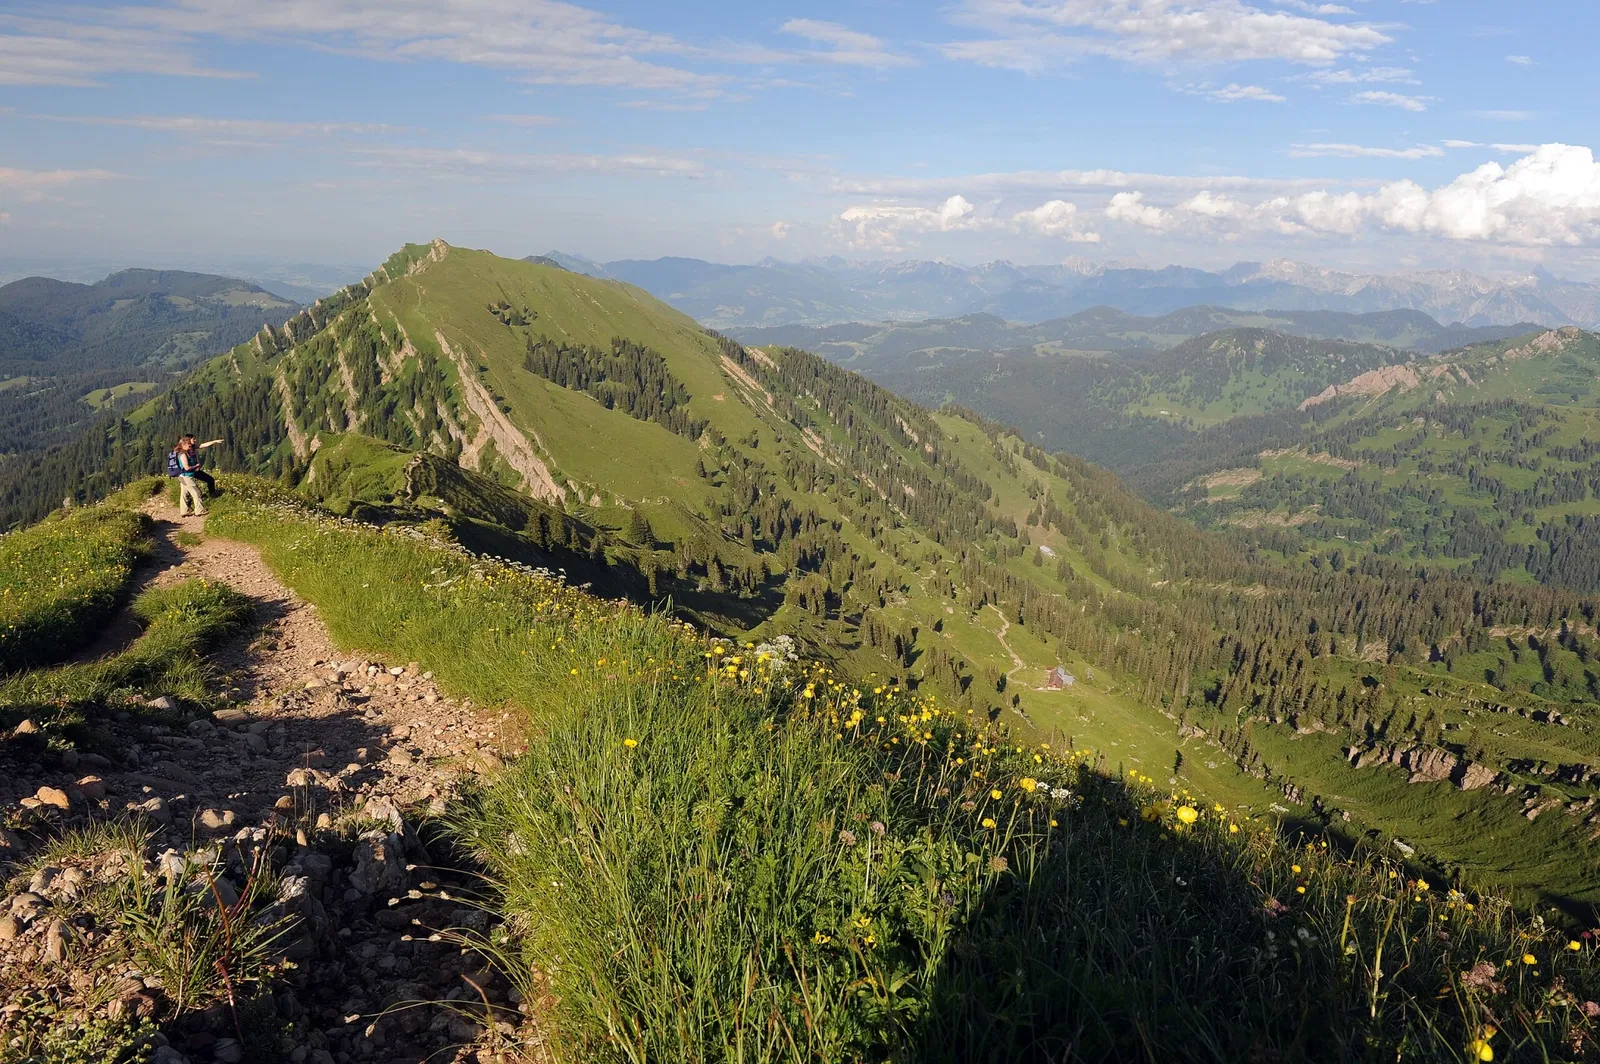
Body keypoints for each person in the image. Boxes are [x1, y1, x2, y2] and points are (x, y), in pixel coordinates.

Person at [174, 437, 208, 517]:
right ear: (183, 444)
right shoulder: (183, 454)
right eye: (188, 444)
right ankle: (199, 510)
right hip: (187, 477)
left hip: (182, 476)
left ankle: (185, 510)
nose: (190, 445)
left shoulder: (183, 452)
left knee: (184, 494)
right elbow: (187, 467)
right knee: (196, 492)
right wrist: (195, 466)